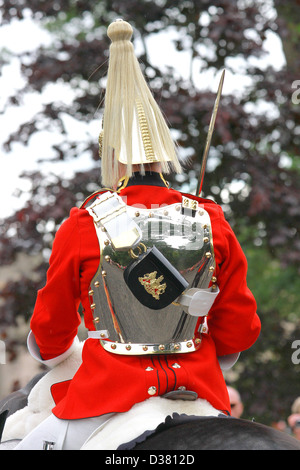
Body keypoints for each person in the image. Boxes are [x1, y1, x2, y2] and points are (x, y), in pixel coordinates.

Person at [11, 19, 260, 450]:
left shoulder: (84, 223)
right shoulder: (209, 220)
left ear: (110, 154)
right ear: (164, 153)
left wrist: (54, 353)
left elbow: (50, 328)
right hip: (200, 390)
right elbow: (239, 331)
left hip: (107, 392)